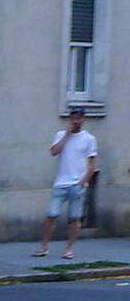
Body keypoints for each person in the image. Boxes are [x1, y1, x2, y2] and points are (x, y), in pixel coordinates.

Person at [33, 107, 97, 259]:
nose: (76, 121)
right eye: (74, 118)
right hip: (61, 182)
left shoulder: (89, 139)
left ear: (83, 119)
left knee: (75, 218)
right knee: (51, 215)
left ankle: (69, 249)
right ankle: (44, 247)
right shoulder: (60, 135)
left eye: (79, 118)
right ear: (70, 119)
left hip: (78, 183)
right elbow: (54, 152)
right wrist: (67, 134)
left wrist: (84, 181)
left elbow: (92, 164)